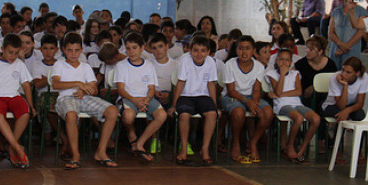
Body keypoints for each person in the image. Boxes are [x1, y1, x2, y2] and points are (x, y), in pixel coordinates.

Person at [52, 32, 118, 170]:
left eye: (76, 50)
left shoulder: (85, 66)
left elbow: (94, 89)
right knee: (71, 115)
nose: (73, 54)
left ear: (81, 50)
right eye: (69, 50)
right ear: (63, 50)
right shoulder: (59, 64)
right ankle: (75, 155)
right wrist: (78, 83)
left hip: (84, 98)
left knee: (112, 111)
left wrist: (85, 90)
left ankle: (101, 151)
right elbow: (56, 85)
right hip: (66, 98)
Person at [0, 34, 34, 168]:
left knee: (25, 112)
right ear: (2, 49)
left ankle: (11, 146)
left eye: (16, 53)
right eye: (10, 52)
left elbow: (26, 86)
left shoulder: (19, 64)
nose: (13, 56)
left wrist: (31, 106)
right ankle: (17, 148)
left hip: (14, 96)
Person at [114, 32, 166, 162]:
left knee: (162, 115)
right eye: (128, 48)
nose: (131, 51)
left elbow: (151, 89)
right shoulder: (121, 65)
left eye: (135, 48)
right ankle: (132, 137)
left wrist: (146, 100)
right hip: (129, 98)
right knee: (128, 116)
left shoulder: (149, 65)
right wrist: (136, 101)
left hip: (146, 98)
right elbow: (121, 89)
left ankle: (140, 143)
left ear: (142, 48)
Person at [168, 34, 219, 166]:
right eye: (195, 50)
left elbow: (211, 84)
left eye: (203, 51)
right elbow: (180, 83)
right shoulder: (184, 60)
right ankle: (184, 148)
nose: (199, 54)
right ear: (190, 50)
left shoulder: (211, 63)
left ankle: (205, 149)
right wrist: (174, 105)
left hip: (203, 96)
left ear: (208, 52)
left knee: (212, 114)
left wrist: (215, 105)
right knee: (184, 115)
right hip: (186, 95)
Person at [221, 35, 273, 163]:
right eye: (241, 48)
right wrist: (247, 102)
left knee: (267, 112)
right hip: (232, 96)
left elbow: (256, 89)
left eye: (248, 48)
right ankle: (236, 143)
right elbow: (231, 90)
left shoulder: (259, 67)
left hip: (251, 97)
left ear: (253, 51)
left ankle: (253, 142)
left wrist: (254, 103)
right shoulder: (230, 64)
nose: (244, 52)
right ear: (236, 50)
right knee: (238, 112)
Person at [267, 48, 320, 163]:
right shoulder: (271, 74)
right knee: (298, 118)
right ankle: (290, 146)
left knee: (316, 119)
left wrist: (279, 94)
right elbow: (279, 91)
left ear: (291, 62)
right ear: (276, 61)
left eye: (287, 60)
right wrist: (281, 75)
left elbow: (298, 92)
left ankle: (303, 147)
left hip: (296, 103)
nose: (284, 63)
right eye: (281, 59)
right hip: (281, 105)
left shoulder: (295, 74)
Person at [328, 0, 368, 67]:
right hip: (336, 49)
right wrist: (340, 44)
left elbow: (361, 32)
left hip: (351, 49)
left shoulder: (361, 11)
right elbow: (331, 32)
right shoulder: (336, 11)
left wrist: (345, 47)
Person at [322, 56, 368, 125]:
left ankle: (360, 135)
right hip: (332, 105)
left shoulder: (364, 77)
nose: (343, 74)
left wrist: (347, 110)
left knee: (360, 116)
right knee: (343, 116)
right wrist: (345, 85)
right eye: (343, 70)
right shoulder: (334, 78)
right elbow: (341, 105)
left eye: (348, 72)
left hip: (350, 105)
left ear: (357, 73)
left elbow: (360, 103)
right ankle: (338, 135)